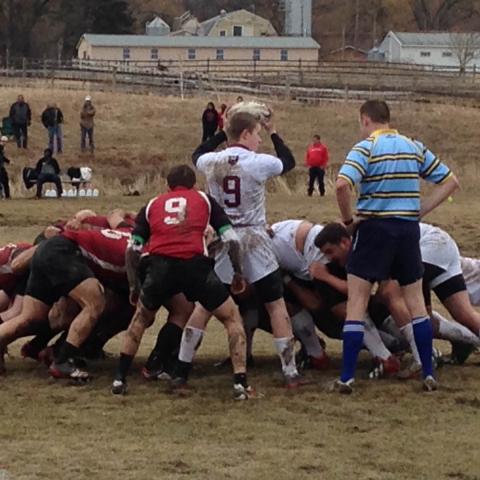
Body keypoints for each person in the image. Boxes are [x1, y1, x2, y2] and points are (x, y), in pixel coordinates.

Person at [334, 99, 459, 393]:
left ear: (365, 120)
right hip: (406, 230)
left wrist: (348, 220)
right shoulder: (414, 146)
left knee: (357, 303)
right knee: (416, 302)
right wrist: (421, 210)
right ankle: (428, 371)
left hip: (374, 228)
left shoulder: (365, 148)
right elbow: (451, 181)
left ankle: (347, 377)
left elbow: (341, 185)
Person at [112, 165, 256, 400]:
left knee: (140, 319)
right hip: (194, 266)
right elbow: (232, 240)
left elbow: (132, 250)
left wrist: (134, 285)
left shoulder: (152, 204)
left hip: (159, 267)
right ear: (194, 185)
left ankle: (119, 378)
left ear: (168, 187)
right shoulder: (204, 199)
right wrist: (238, 274)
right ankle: (240, 383)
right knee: (231, 317)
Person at [192, 107, 307, 388]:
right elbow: (288, 162)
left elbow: (196, 154)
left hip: (223, 237)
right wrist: (274, 130)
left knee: (204, 306)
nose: (260, 140)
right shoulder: (257, 162)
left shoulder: (212, 160)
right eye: (256, 134)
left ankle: (181, 367)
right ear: (246, 134)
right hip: (254, 238)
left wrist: (223, 129)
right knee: (275, 305)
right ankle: (289, 370)